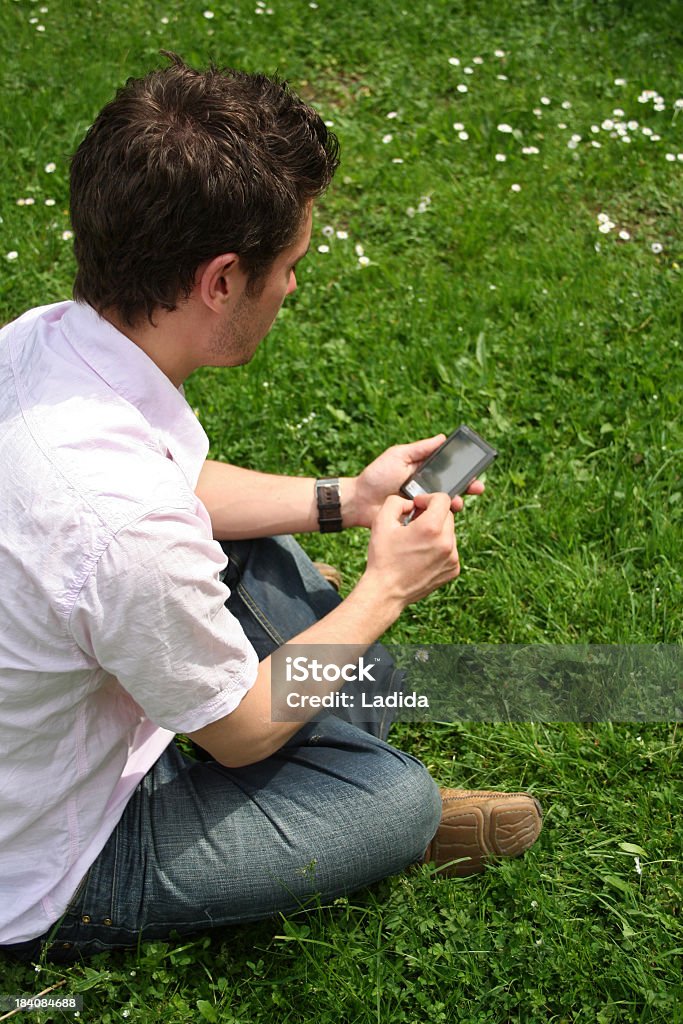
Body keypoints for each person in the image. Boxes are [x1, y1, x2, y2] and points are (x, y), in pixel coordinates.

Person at [0, 54, 542, 963]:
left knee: (255, 561)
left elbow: (175, 492)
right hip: (43, 853)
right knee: (391, 799)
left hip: (60, 685)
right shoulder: (125, 524)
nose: (292, 287)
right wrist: (384, 592)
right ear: (220, 280)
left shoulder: (41, 343)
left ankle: (303, 702)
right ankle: (372, 801)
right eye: (288, 264)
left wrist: (346, 501)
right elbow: (244, 734)